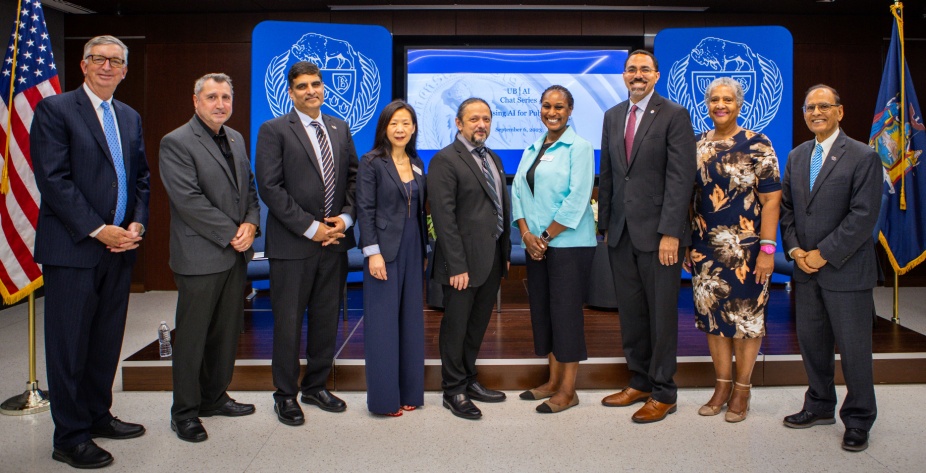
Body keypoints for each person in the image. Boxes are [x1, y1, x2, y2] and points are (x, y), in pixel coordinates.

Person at [31, 35, 149, 469]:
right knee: (69, 346)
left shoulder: (129, 116)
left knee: (104, 341)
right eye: (98, 59)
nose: (107, 66)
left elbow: (140, 178)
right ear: (83, 65)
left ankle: (98, 415)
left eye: (115, 61)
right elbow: (54, 181)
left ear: (124, 70)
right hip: (74, 249)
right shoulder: (55, 110)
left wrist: (135, 223)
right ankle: (70, 436)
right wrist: (100, 230)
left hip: (120, 250)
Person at [255, 61, 359, 426]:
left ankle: (316, 386)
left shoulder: (339, 127)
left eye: (316, 84)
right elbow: (270, 187)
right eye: (302, 86)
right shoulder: (274, 130)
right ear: (291, 92)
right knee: (287, 323)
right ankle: (285, 394)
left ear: (324, 88)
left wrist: (344, 219)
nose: (311, 90)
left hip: (335, 243)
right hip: (294, 245)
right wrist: (311, 227)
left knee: (326, 320)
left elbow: (353, 178)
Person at [780, 84, 881, 452]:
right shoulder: (796, 156)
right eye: (810, 107)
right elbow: (789, 210)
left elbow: (863, 216)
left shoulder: (862, 156)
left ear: (840, 111)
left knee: (854, 350)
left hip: (845, 270)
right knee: (813, 345)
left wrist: (822, 253)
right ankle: (820, 405)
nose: (816, 112)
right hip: (805, 270)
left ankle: (858, 419)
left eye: (824, 106)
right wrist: (794, 251)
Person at [159, 73, 260, 442]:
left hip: (235, 254)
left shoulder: (234, 138)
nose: (220, 104)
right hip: (200, 255)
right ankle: (184, 412)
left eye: (226, 97)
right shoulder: (177, 142)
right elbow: (188, 200)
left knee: (224, 332)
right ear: (196, 101)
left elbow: (248, 188)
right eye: (212, 97)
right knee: (192, 337)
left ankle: (214, 398)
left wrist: (251, 223)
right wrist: (232, 232)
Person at [597, 49, 697, 423]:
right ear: (623, 76)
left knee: (660, 316)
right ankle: (638, 380)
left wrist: (672, 232)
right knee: (632, 315)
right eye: (630, 69)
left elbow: (680, 177)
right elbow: (608, 174)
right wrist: (605, 225)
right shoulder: (612, 116)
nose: (637, 75)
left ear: (656, 75)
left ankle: (664, 391)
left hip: (660, 238)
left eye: (644, 69)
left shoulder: (674, 114)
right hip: (621, 233)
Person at [685, 77, 781, 423]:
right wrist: (687, 242)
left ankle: (742, 389)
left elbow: (771, 200)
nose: (720, 105)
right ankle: (722, 386)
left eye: (727, 99)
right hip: (705, 249)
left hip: (748, 251)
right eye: (714, 100)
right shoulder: (695, 144)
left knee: (746, 320)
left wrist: (768, 250)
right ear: (706, 105)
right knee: (714, 318)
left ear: (739, 105)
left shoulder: (758, 144)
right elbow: (689, 198)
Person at [510, 86, 596, 414]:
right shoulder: (532, 147)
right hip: (537, 246)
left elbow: (577, 199)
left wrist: (543, 236)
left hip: (569, 246)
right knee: (544, 313)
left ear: (570, 110)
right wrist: (526, 234)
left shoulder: (580, 147)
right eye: (546, 106)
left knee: (566, 315)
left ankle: (568, 389)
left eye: (559, 106)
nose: (552, 111)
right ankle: (551, 381)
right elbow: (517, 192)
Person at [428, 97, 511, 420]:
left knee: (476, 326)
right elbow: (444, 219)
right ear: (458, 123)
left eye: (486, 119)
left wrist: (504, 253)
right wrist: (456, 265)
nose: (481, 124)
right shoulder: (445, 160)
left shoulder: (494, 157)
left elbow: (499, 207)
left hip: (490, 260)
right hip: (461, 265)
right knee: (456, 327)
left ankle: (469, 378)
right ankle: (453, 390)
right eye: (474, 119)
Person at [356, 100, 428, 417]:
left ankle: (410, 391)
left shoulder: (417, 162)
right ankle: (384, 400)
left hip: (414, 248)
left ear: (413, 128)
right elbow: (365, 210)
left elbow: (419, 209)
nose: (400, 129)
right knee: (383, 325)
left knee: (411, 322)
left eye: (406, 123)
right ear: (384, 127)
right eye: (394, 123)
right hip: (383, 251)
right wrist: (372, 253)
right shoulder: (371, 162)